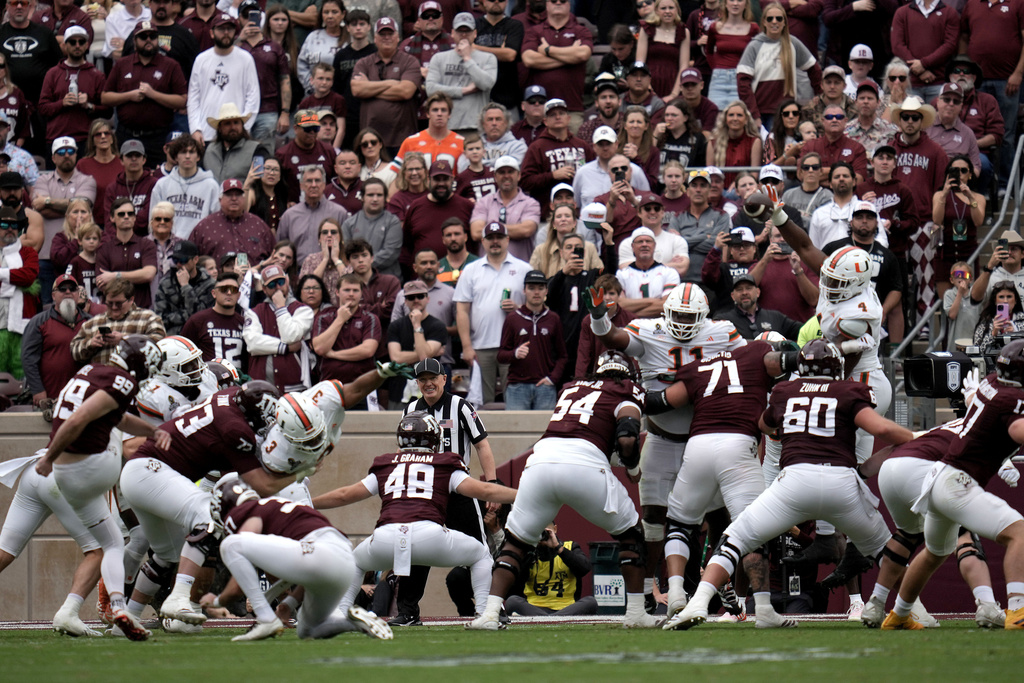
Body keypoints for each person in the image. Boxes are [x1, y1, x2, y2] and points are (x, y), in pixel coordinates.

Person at [664, 339, 913, 631]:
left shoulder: (785, 391)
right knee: (888, 551)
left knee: (735, 539)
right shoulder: (849, 390)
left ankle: (697, 603)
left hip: (794, 482)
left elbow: (764, 424)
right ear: (837, 367)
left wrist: (786, 428)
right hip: (841, 483)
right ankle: (912, 610)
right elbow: (882, 429)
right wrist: (918, 439)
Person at [469, 351, 660, 630]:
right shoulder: (627, 389)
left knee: (515, 544)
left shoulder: (571, 387)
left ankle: (488, 615)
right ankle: (635, 612)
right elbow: (628, 437)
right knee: (631, 536)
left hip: (540, 463)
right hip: (584, 465)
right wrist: (632, 470)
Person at [316, 411, 516, 626]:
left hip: (386, 538)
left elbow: (344, 495)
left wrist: (309, 503)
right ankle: (485, 614)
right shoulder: (444, 463)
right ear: (434, 438)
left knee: (354, 563)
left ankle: (338, 614)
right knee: (480, 554)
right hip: (428, 535)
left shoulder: (387, 463)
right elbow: (485, 491)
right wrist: (524, 494)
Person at [119, 380, 289, 628]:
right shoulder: (235, 429)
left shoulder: (230, 397)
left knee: (166, 554)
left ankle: (128, 619)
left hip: (142, 474)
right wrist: (301, 469)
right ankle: (177, 597)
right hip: (150, 470)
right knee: (209, 516)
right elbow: (262, 485)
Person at [881, 340, 1024, 630]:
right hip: (959, 483)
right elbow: (1017, 429)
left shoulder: (992, 382)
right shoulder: (1010, 398)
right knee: (1018, 533)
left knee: (935, 552)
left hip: (939, 479)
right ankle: (1018, 610)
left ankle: (899, 614)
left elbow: (986, 411)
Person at [32, 335, 167, 642]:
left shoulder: (90, 370)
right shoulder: (123, 381)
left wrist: (152, 431)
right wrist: (48, 457)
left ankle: (118, 607)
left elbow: (114, 416)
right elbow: (79, 419)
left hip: (69, 480)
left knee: (112, 544)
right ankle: (137, 487)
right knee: (113, 435)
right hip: (93, 467)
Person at [200, 476, 392, 642]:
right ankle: (353, 622)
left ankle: (267, 620)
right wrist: (288, 605)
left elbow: (236, 585)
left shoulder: (245, 513)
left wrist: (216, 601)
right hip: (342, 561)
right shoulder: (282, 507)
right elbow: (308, 566)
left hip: (319, 553)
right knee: (308, 630)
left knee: (230, 544)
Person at [454, 222, 528, 404]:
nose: (495, 242)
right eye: (490, 238)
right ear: (483, 242)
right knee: (481, 403)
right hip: (480, 346)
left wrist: (518, 309)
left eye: (499, 238)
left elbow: (535, 309)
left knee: (514, 399)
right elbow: (462, 310)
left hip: (514, 347)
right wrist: (466, 347)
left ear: (507, 240)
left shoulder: (524, 269)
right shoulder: (471, 270)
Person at [958, 0, 1024, 194]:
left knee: (1006, 135)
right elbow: (963, 36)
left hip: (1008, 81)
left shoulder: (1018, 3)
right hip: (975, 82)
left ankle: (1005, 185)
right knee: (974, 133)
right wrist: (963, 67)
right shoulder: (972, 3)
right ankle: (983, 185)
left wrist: (1019, 73)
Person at [101, 21, 188, 163]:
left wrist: (153, 94)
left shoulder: (170, 65)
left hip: (158, 137)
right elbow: (105, 97)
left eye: (152, 36)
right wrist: (129, 96)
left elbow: (182, 100)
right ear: (134, 42)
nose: (148, 40)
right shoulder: (122, 64)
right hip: (127, 135)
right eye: (143, 37)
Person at [823, 201, 903, 338]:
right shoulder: (835, 248)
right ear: (851, 221)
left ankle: (895, 352)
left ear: (877, 222)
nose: (864, 221)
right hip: (837, 310)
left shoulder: (887, 255)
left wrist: (883, 311)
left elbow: (896, 289)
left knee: (896, 307)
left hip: (871, 315)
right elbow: (818, 275)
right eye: (859, 217)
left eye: (870, 217)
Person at [737, 3, 821, 129]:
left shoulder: (793, 43)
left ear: (784, 22)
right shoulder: (754, 46)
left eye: (779, 18)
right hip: (759, 112)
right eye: (770, 19)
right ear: (764, 22)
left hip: (785, 112)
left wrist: (819, 95)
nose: (774, 22)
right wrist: (754, 115)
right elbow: (742, 82)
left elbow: (814, 69)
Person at [32, 140, 97, 303]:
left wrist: (48, 201)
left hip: (84, 256)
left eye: (70, 151)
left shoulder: (87, 180)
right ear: (53, 157)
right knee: (49, 306)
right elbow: (40, 208)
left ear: (76, 154)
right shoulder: (42, 180)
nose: (66, 155)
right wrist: (73, 204)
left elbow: (85, 203)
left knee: (84, 304)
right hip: (47, 256)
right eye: (61, 152)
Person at [351, 17, 422, 154]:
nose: (386, 38)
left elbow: (405, 91)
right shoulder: (363, 63)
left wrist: (369, 87)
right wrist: (391, 83)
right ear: (375, 38)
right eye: (382, 34)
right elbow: (357, 90)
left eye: (390, 34)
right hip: (371, 140)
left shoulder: (410, 61)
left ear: (398, 37)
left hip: (403, 138)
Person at [497, 270, 565, 410]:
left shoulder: (553, 319)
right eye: (532, 288)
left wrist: (552, 379)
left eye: (540, 288)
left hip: (545, 387)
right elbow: (501, 355)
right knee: (515, 430)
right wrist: (515, 354)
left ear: (546, 291)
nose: (536, 292)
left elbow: (562, 356)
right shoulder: (513, 318)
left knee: (544, 430)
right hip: (517, 387)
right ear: (524, 290)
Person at [521, 0, 593, 130]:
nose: (558, 3)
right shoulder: (534, 31)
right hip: (539, 110)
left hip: (571, 110)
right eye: (554, 0)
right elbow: (529, 59)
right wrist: (570, 56)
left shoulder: (581, 31)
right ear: (547, 4)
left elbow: (583, 54)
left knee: (573, 150)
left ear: (569, 4)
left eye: (563, 0)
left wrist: (548, 50)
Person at [187, 13, 259, 144]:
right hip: (206, 134)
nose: (226, 33)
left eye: (230, 29)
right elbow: (193, 98)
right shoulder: (201, 60)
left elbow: (253, 96)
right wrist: (195, 129)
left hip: (237, 134)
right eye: (221, 29)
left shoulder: (245, 58)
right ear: (212, 33)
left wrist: (244, 128)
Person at [244, 262, 313, 392]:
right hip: (260, 386)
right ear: (264, 289)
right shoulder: (254, 312)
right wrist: (285, 347)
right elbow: (253, 344)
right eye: (271, 285)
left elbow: (290, 336)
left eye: (280, 282)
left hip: (293, 386)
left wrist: (281, 307)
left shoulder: (303, 310)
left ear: (287, 281)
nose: (277, 288)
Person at [22, 274, 88, 407]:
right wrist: (37, 390)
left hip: (84, 397)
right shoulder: (39, 322)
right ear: (53, 295)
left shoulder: (91, 322)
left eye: (72, 289)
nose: (68, 292)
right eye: (62, 289)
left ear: (78, 294)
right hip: (50, 396)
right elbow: (28, 358)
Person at [504, 524, 597, 616]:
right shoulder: (528, 552)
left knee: (591, 602)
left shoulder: (570, 546)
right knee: (512, 601)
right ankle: (554, 619)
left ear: (555, 529)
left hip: (566, 607)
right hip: (534, 607)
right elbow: (512, 590)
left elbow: (584, 568)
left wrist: (558, 548)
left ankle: (547, 619)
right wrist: (529, 554)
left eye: (545, 529)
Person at [425, 13, 497, 132]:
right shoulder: (439, 58)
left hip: (476, 127)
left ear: (475, 34)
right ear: (452, 33)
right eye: (460, 31)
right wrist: (464, 90)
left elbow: (486, 84)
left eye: (467, 31)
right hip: (446, 127)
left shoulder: (489, 58)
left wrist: (467, 58)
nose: (463, 35)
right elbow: (431, 89)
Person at [37, 26, 107, 146]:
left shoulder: (96, 75)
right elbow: (42, 108)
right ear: (65, 45)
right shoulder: (53, 73)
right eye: (73, 42)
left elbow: (108, 111)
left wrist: (89, 105)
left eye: (81, 42)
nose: (77, 45)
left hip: (86, 140)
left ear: (87, 45)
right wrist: (62, 103)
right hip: (57, 138)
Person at [401, 159, 474, 272]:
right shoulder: (416, 206)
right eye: (436, 179)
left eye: (445, 179)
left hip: (462, 276)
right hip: (424, 278)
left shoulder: (467, 206)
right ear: (429, 179)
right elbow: (407, 245)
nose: (441, 183)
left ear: (452, 179)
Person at [931, 154, 986, 302]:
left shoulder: (978, 197)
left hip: (967, 252)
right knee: (946, 303)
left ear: (969, 175)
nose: (960, 174)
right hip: (946, 252)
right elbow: (936, 220)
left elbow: (978, 220)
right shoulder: (939, 195)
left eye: (963, 171)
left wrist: (970, 198)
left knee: (967, 300)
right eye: (955, 170)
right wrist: (944, 194)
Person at [237, 9, 292, 151]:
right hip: (239, 108)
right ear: (240, 19)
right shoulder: (236, 46)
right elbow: (223, 60)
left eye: (253, 17)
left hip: (267, 108)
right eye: (245, 16)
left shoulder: (274, 47)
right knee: (238, 150)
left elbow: (285, 80)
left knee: (264, 153)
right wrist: (239, 39)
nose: (250, 21)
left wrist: (285, 113)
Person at [191, 178, 277, 266]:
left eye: (238, 195)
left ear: (244, 199)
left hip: (254, 278)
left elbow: (274, 256)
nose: (234, 198)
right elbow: (191, 259)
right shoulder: (205, 226)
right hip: (217, 279)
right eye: (229, 195)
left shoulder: (259, 225)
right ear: (220, 200)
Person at [470, 156, 540, 263]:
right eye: (502, 172)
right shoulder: (484, 202)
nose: (506, 176)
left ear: (519, 175)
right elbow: (475, 232)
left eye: (511, 172)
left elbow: (526, 230)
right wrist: (513, 230)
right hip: (488, 269)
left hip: (520, 268)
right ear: (495, 176)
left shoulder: (530, 203)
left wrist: (491, 229)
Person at [148, 135, 221, 239]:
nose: (187, 156)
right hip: (168, 244)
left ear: (198, 156)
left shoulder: (211, 185)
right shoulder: (162, 185)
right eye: (183, 152)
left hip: (199, 244)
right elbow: (152, 221)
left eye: (191, 152)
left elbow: (216, 222)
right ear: (176, 157)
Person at [948, 55, 1003, 191]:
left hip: (976, 152)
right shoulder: (939, 102)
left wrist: (972, 144)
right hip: (946, 150)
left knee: (983, 165)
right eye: (957, 71)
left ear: (974, 77)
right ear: (950, 77)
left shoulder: (987, 101)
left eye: (966, 72)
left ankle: (976, 199)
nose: (961, 74)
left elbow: (996, 135)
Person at [670, 168, 732, 283]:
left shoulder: (722, 216)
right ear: (687, 191)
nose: (698, 190)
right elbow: (673, 248)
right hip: (681, 280)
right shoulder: (677, 217)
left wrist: (684, 241)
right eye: (694, 185)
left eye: (703, 185)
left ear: (709, 191)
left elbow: (717, 247)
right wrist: (706, 236)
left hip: (710, 281)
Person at [748, 225, 819, 325]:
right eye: (778, 236)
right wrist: (764, 261)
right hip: (768, 328)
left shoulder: (806, 265)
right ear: (771, 240)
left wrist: (798, 271)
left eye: (786, 235)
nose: (782, 239)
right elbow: (746, 289)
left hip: (800, 328)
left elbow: (815, 300)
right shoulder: (758, 266)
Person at [890, 0, 959, 103]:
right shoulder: (902, 12)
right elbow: (897, 45)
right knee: (910, 119)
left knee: (937, 119)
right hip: (909, 83)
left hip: (938, 82)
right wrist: (919, 69)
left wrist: (923, 64)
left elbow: (950, 45)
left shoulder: (950, 12)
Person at [95, 197, 158, 309]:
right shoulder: (104, 249)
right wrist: (137, 276)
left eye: (130, 213)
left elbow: (148, 274)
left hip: (142, 310)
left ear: (134, 218)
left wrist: (115, 275)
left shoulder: (147, 244)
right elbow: (102, 283)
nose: (126, 216)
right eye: (121, 214)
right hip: (113, 310)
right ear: (112, 218)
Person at [277, 166, 347, 265]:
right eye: (309, 181)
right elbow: (280, 249)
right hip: (298, 273)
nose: (313, 185)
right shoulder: (289, 216)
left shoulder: (339, 213)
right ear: (301, 185)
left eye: (317, 180)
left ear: (324, 185)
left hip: (330, 272)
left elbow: (346, 247)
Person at [0, 0, 62, 108]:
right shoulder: (1, 33)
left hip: (40, 101)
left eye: (23, 3)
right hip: (7, 100)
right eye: (14, 3)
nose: (19, 7)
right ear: (7, 6)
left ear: (29, 7)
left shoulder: (45, 33)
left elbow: (59, 66)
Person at [181, 271, 246, 370]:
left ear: (239, 295)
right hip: (208, 381)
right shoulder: (198, 320)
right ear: (214, 293)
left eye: (233, 290)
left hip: (237, 381)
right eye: (224, 289)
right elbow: (183, 352)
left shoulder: (244, 323)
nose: (229, 293)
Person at [704, 0, 758, 111]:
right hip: (718, 79)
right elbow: (709, 51)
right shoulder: (715, 27)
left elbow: (758, 54)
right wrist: (717, 68)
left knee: (738, 115)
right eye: (732, 0)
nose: (735, 4)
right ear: (725, 3)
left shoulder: (753, 28)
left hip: (740, 79)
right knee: (714, 116)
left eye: (739, 0)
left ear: (746, 4)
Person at [274, 110, 337, 204]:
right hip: (295, 207)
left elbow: (336, 181)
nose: (312, 132)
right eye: (307, 129)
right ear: (295, 129)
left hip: (325, 206)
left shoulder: (328, 151)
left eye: (315, 128)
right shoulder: (283, 154)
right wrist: (285, 203)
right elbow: (276, 186)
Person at [154, 240, 215, 336]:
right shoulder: (166, 284)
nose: (179, 264)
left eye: (183, 260)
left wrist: (186, 287)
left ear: (195, 259)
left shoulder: (210, 284)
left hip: (201, 337)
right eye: (175, 260)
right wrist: (187, 315)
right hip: (172, 337)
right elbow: (159, 319)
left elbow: (203, 317)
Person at [717, 273, 802, 339]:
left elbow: (803, 330)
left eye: (748, 288)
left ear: (758, 292)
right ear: (733, 296)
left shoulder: (775, 317)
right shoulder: (723, 321)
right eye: (739, 290)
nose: (744, 293)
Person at [202, 103, 270, 185]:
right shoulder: (209, 150)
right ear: (219, 128)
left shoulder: (256, 149)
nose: (233, 127)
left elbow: (263, 182)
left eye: (236, 122)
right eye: (227, 123)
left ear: (242, 125)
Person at [103, 140, 158, 237]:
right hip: (117, 240)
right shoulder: (112, 188)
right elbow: (109, 221)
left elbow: (147, 218)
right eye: (129, 156)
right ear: (121, 160)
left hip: (145, 239)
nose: (134, 159)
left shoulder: (154, 184)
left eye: (137, 155)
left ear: (144, 159)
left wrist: (124, 226)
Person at [801, 104, 868, 184]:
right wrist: (844, 172)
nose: (834, 120)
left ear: (845, 121)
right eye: (829, 117)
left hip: (847, 195)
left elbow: (858, 180)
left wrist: (818, 175)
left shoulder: (857, 148)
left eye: (839, 117)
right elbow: (801, 175)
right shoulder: (810, 146)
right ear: (823, 121)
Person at [637, 0, 690, 100]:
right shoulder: (646, 29)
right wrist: (648, 89)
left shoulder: (683, 32)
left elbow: (684, 65)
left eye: (671, 8)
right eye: (663, 8)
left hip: (673, 83)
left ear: (677, 10)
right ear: (656, 11)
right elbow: (640, 63)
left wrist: (674, 94)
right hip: (649, 84)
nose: (667, 11)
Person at [926, 83, 981, 176]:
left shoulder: (968, 133)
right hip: (926, 174)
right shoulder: (924, 124)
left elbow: (976, 167)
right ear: (937, 101)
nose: (951, 104)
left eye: (956, 101)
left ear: (961, 106)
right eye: (947, 99)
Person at [808, 163, 866, 250]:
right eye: (837, 177)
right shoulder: (819, 213)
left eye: (845, 176)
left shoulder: (865, 208)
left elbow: (881, 241)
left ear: (854, 181)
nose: (841, 179)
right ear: (830, 183)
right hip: (827, 261)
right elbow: (813, 247)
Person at [707, 101, 762, 188]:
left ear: (746, 120)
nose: (735, 118)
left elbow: (754, 174)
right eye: (731, 115)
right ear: (725, 119)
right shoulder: (713, 142)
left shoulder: (754, 141)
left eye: (739, 115)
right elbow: (709, 173)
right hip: (718, 189)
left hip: (744, 189)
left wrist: (737, 184)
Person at [297, 0, 347, 95]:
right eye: (326, 12)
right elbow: (302, 65)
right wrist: (311, 86)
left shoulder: (349, 39)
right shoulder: (313, 37)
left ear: (343, 14)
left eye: (334, 12)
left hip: (342, 95)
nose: (330, 16)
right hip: (315, 95)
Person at [843, 81, 897, 160]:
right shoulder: (845, 131)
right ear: (856, 102)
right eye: (862, 98)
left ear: (878, 102)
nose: (865, 102)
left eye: (870, 98)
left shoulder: (891, 131)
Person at [970, 230, 1024, 306]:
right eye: (1005, 249)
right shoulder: (991, 276)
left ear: (1022, 254)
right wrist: (989, 267)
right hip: (998, 317)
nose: (1009, 252)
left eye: (1014, 249)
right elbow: (974, 298)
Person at [972, 282, 1024, 354]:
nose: (1005, 301)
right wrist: (993, 334)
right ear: (995, 301)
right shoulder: (985, 323)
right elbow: (978, 352)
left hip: (1017, 363)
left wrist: (1016, 333)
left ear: (1015, 300)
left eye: (1009, 297)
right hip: (992, 363)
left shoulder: (1023, 321)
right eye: (1001, 297)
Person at [244, 157, 288, 233]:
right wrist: (246, 185)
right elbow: (242, 213)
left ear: (280, 176)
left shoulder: (283, 196)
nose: (271, 173)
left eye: (276, 170)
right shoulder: (252, 192)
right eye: (267, 168)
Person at [386, 152, 429, 222]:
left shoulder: (432, 195)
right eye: (410, 169)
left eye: (418, 169)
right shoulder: (397, 200)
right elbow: (398, 228)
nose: (414, 173)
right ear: (404, 173)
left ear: (425, 171)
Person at [324, 150, 363, 215]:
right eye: (342, 163)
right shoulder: (326, 191)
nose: (347, 166)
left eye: (352, 163)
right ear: (335, 169)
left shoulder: (367, 188)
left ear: (359, 167)